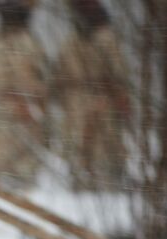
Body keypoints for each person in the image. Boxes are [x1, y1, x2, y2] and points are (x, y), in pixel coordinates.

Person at [56, 0, 129, 188]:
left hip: (102, 102)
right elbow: (59, 77)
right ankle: (82, 181)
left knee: (105, 149)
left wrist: (118, 97)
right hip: (77, 104)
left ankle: (107, 182)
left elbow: (118, 75)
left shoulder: (107, 38)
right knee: (80, 146)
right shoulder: (71, 41)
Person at [0, 0, 48, 186]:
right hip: (9, 107)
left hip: (30, 108)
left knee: (25, 165)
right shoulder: (0, 40)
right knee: (1, 159)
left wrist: (37, 101)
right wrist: (18, 101)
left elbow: (38, 74)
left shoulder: (29, 38)